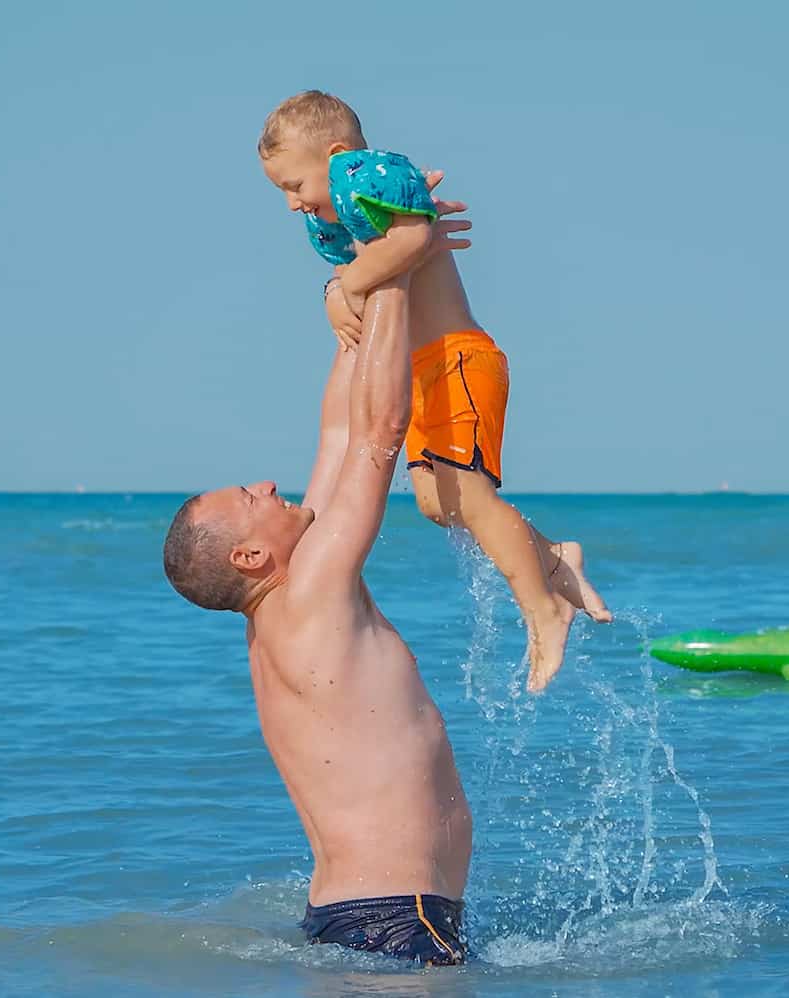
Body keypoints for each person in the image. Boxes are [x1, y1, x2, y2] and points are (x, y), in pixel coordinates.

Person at [161, 266, 473, 965]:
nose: (269, 483)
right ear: (247, 556)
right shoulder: (314, 595)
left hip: (349, 914)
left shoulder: (284, 610)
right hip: (399, 921)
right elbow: (379, 433)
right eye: (251, 496)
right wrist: (397, 270)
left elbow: (339, 430)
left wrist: (351, 295)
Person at [256, 89, 610, 693]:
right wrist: (334, 291)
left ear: (341, 158)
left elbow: (412, 245)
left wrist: (342, 291)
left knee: (467, 496)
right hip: (427, 373)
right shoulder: (363, 224)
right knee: (436, 504)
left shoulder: (395, 210)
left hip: (459, 363)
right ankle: (551, 556)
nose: (293, 205)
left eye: (295, 186)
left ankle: (544, 609)